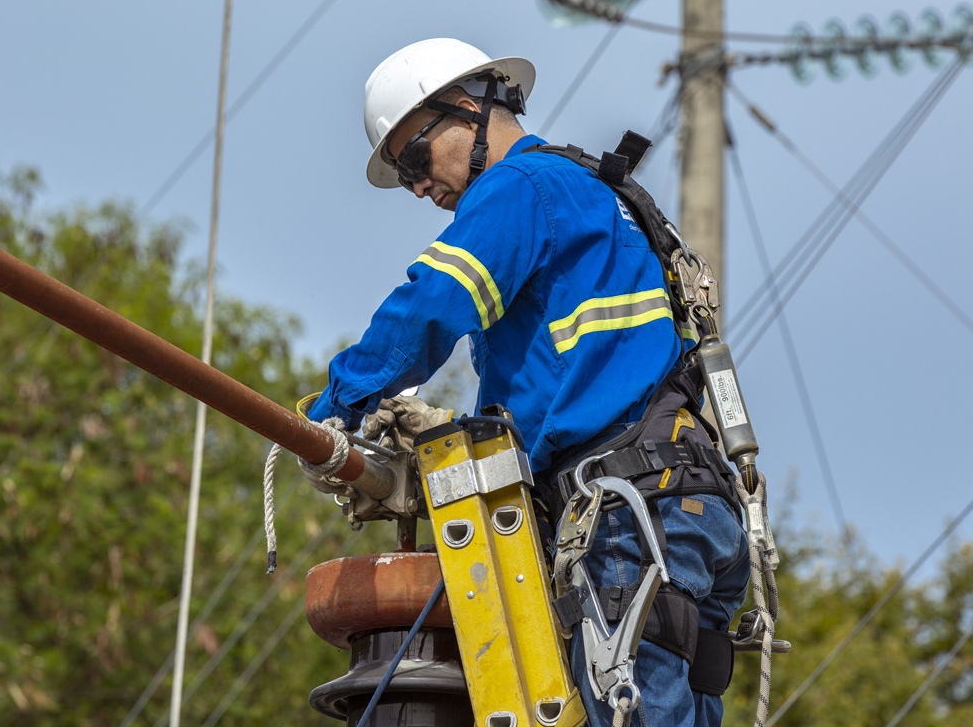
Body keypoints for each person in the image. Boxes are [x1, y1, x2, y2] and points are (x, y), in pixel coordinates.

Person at [305, 37, 750, 727]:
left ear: (466, 108)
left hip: (633, 515)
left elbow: (431, 306)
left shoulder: (520, 188)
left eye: (414, 159)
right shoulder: (596, 195)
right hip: (688, 508)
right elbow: (573, 377)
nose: (419, 187)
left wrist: (335, 406)